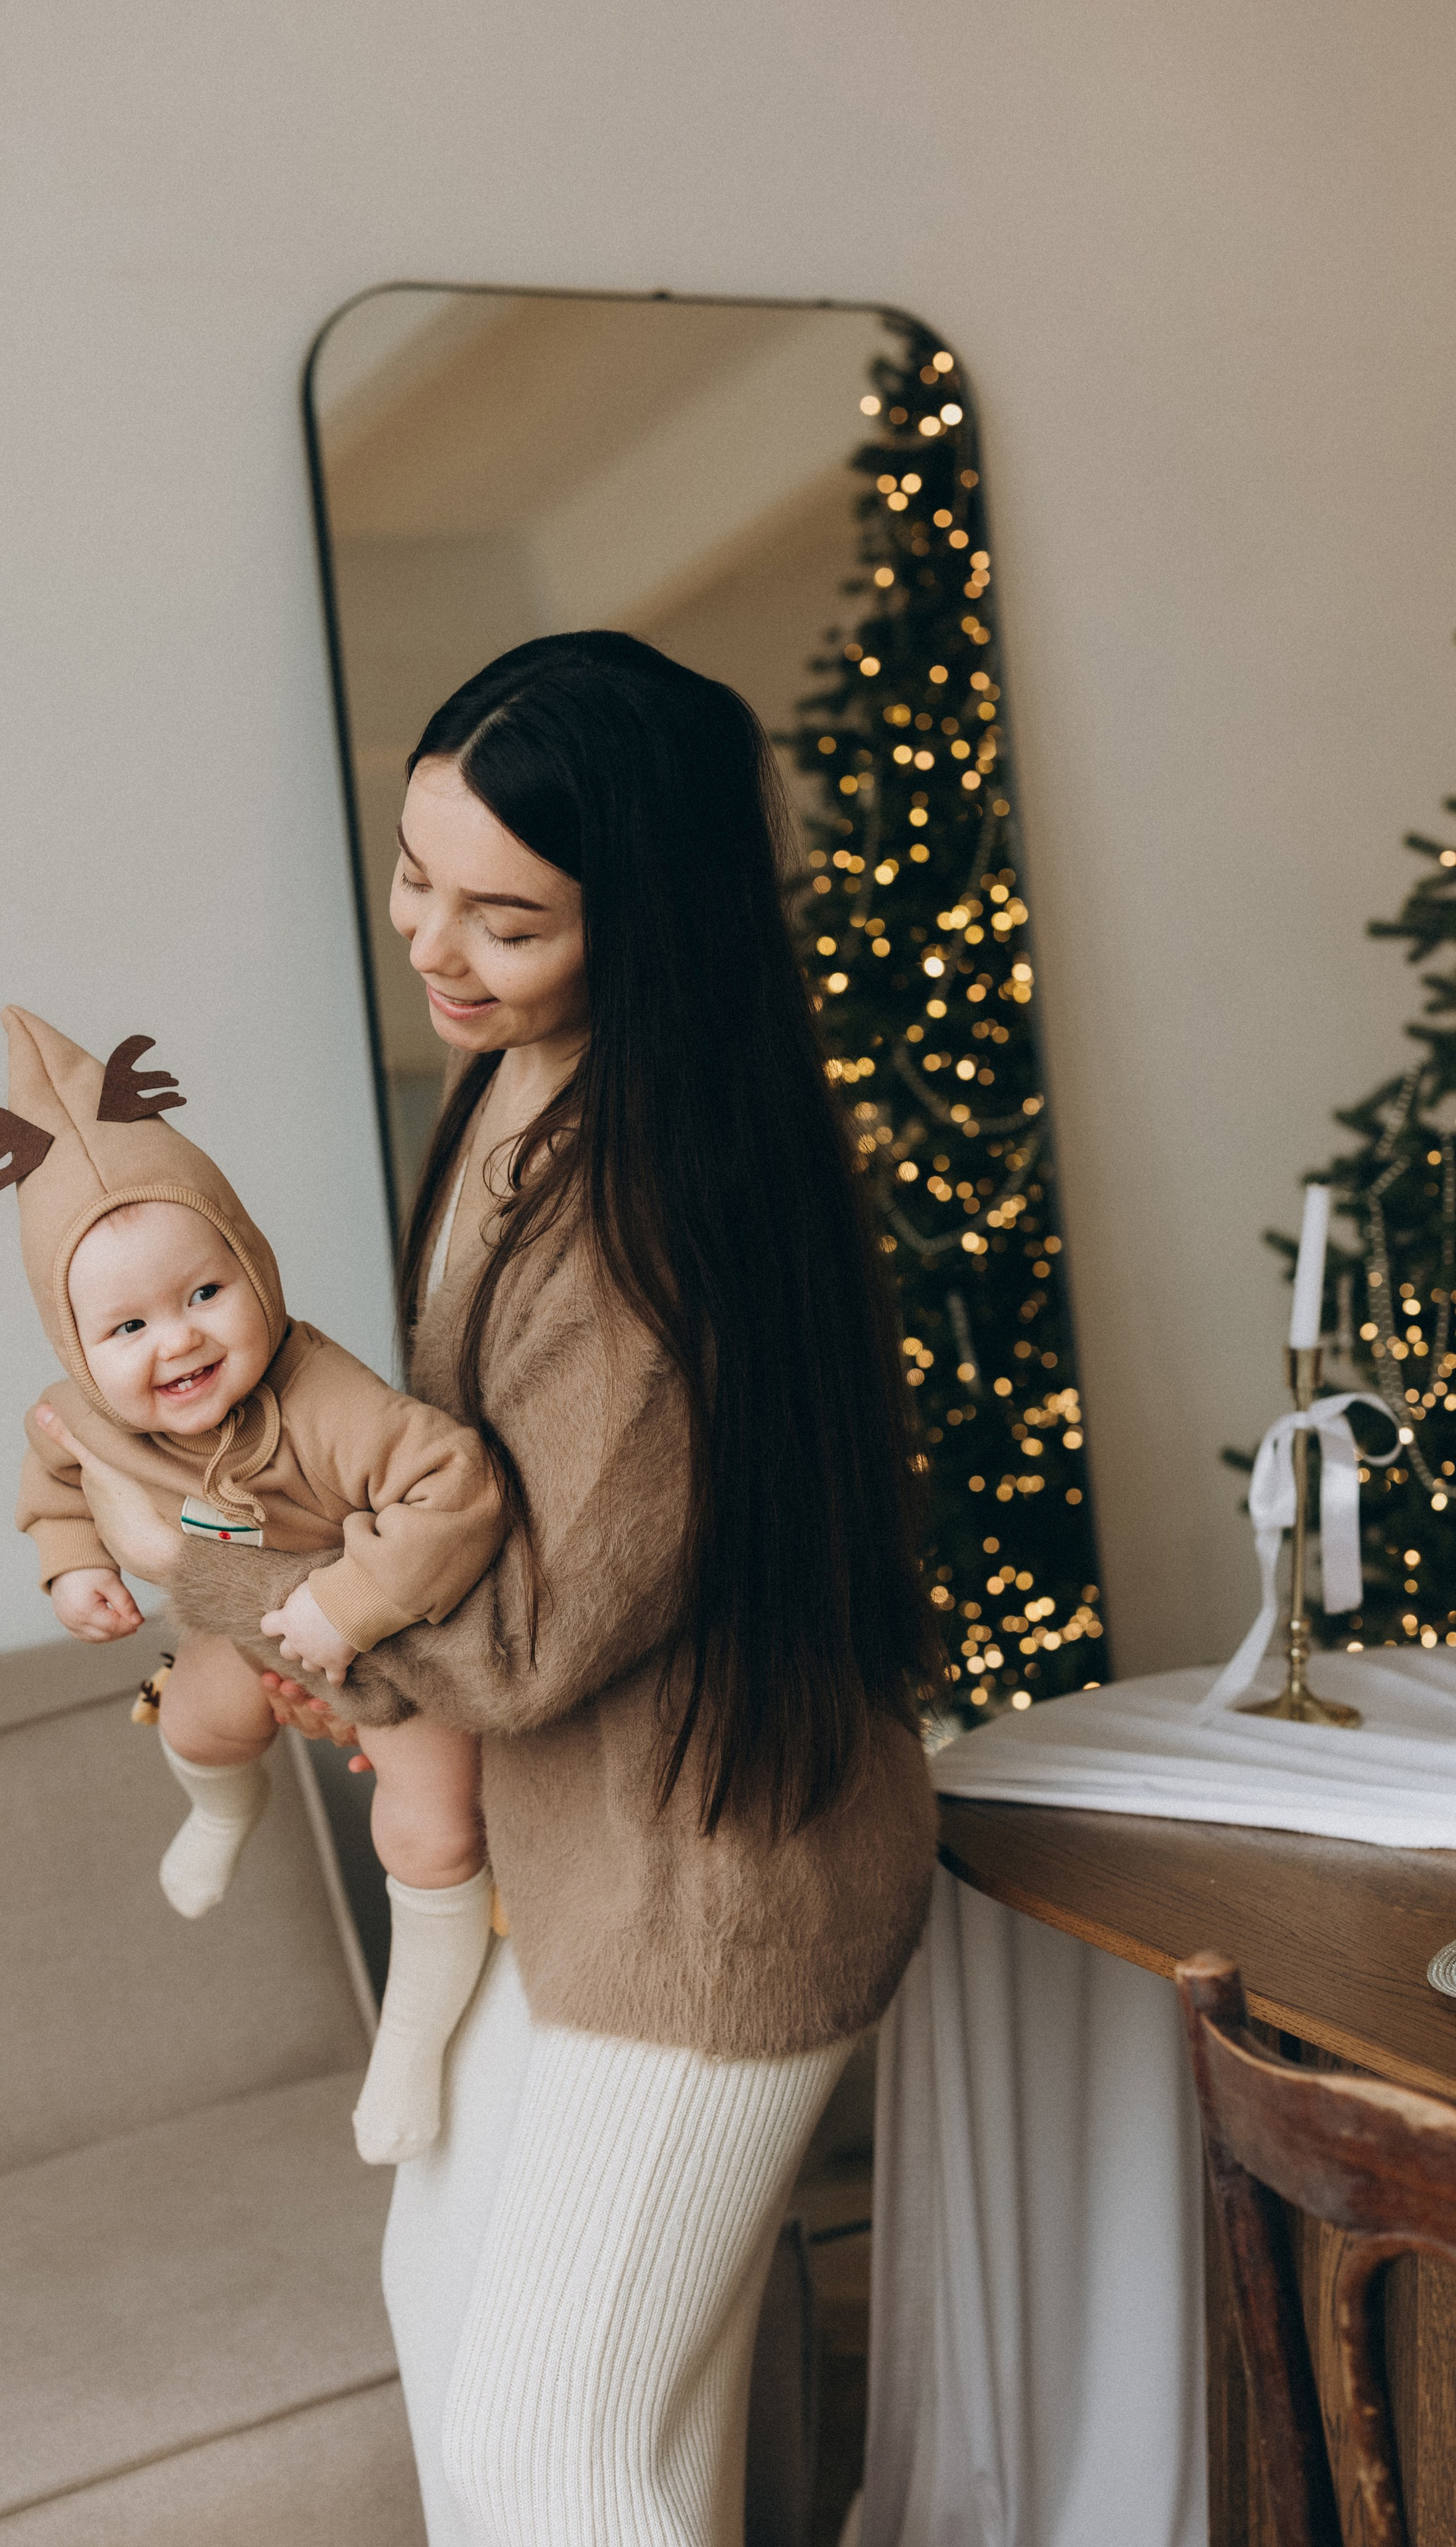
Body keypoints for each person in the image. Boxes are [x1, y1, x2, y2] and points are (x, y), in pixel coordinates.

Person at [48, 632, 941, 2547]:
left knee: (549, 2445)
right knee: (491, 2357)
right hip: (575, 1861)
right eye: (412, 873)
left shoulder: (652, 1217)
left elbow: (519, 1634)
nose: (434, 944)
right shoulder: (522, 1088)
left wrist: (190, 1557)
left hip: (711, 1886)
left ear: (650, 921)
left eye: (506, 917)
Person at [0, 1007, 504, 2163]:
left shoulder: (322, 1399)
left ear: (254, 1263)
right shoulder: (87, 1412)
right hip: (239, 1632)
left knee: (434, 1819)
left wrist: (349, 1603)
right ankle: (224, 1806)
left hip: (380, 1649)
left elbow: (456, 1490)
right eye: (127, 1325)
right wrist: (73, 1568)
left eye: (205, 1292)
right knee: (200, 1719)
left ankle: (409, 2039)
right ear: (77, 1343)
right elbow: (51, 1470)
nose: (177, 1343)